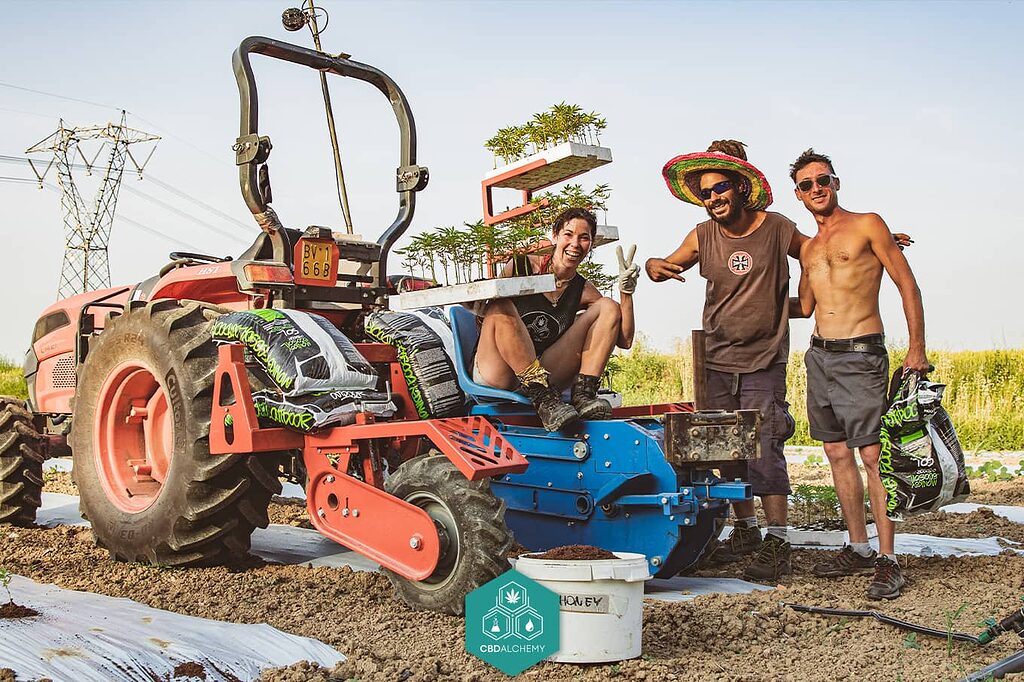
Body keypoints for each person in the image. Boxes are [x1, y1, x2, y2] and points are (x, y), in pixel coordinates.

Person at [646, 140, 801, 582]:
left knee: (765, 446)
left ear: (741, 186)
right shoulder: (701, 235)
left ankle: (780, 542)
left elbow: (820, 253)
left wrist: (873, 245)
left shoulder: (776, 228)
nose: (713, 198)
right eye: (705, 192)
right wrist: (655, 266)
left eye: (720, 188)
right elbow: (664, 264)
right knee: (724, 447)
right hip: (714, 358)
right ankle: (747, 531)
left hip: (763, 358)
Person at [790, 148, 928, 600]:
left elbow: (907, 284)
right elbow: (804, 307)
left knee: (872, 456)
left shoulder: (868, 223)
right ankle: (858, 545)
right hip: (819, 356)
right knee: (835, 452)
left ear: (836, 182)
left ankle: (888, 559)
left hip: (861, 354)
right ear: (798, 194)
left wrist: (917, 348)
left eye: (823, 180)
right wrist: (741, 301)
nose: (817, 189)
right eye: (807, 184)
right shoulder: (808, 248)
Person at [474, 207, 639, 431]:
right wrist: (477, 306)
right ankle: (541, 398)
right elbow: (488, 315)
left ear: (590, 245)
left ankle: (583, 396)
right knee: (500, 305)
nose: (575, 244)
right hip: (500, 372)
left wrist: (626, 294)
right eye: (568, 234)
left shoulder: (583, 289)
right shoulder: (521, 266)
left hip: (545, 376)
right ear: (555, 236)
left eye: (584, 238)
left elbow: (624, 340)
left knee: (608, 307)